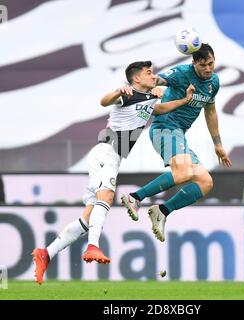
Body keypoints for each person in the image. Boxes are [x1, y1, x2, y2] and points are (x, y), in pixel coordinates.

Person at [31, 60, 195, 285]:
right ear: (136, 79)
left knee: (88, 217)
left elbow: (159, 109)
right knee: (107, 196)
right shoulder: (127, 94)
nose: (153, 75)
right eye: (148, 73)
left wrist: (185, 100)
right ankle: (93, 246)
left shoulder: (149, 98)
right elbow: (104, 101)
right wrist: (118, 90)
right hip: (106, 151)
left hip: (113, 157)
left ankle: (46, 253)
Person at [121, 44, 232, 242]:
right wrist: (149, 87)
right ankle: (135, 197)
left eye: (211, 64)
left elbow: (210, 110)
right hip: (165, 127)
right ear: (194, 63)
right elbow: (158, 79)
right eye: (203, 65)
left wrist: (217, 143)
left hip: (179, 134)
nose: (208, 69)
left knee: (205, 182)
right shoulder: (181, 73)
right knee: (183, 173)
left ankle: (162, 211)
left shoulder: (213, 82)